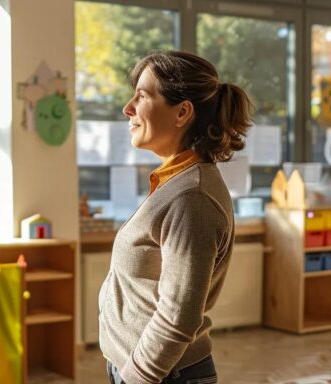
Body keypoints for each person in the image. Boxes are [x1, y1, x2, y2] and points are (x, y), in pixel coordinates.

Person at [98, 50, 252, 384]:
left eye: (142, 96)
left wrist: (136, 377)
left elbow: (179, 315)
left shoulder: (192, 197)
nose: (128, 108)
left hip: (162, 376)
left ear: (182, 112)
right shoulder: (175, 182)